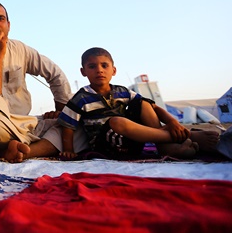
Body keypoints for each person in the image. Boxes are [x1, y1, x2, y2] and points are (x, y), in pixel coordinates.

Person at [0, 0, 88, 163]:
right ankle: (28, 144)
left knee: (77, 125)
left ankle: (22, 152)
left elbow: (54, 73)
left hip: (23, 123)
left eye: (0, 19)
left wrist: (63, 110)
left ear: (8, 25)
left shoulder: (19, 49)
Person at [58, 47, 204, 159]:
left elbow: (152, 107)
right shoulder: (81, 98)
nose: (99, 70)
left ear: (113, 70)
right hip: (107, 146)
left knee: (143, 102)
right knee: (117, 121)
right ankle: (183, 135)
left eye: (104, 65)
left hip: (133, 141)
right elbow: (67, 126)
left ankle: (164, 146)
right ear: (83, 71)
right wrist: (69, 150)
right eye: (92, 66)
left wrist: (173, 122)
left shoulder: (122, 91)